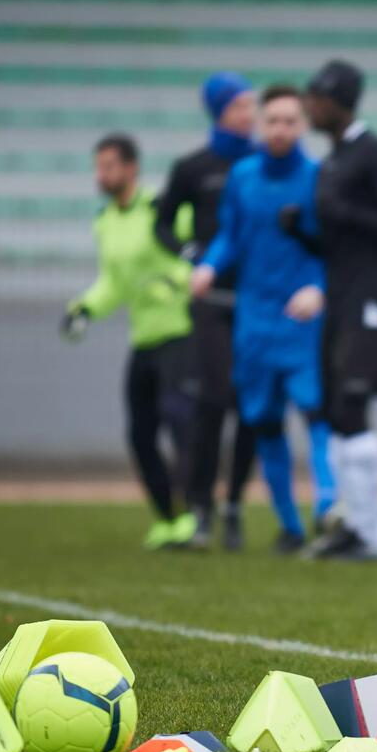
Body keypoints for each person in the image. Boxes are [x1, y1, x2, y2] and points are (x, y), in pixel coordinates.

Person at [190, 85, 336, 553]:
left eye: (290, 121)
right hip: (253, 320)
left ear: (303, 126)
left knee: (315, 412)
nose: (280, 129)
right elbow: (230, 235)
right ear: (262, 124)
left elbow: (333, 248)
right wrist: (210, 264)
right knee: (263, 420)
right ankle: (290, 526)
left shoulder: (319, 178)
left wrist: (319, 287)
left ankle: (328, 508)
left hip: (301, 320)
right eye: (272, 120)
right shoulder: (244, 176)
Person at [294, 59, 377, 561]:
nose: (310, 108)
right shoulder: (334, 160)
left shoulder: (375, 153)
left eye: (317, 99)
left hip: (374, 297)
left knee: (352, 404)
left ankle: (374, 532)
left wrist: (343, 213)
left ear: (341, 101)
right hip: (341, 298)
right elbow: (334, 240)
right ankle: (354, 523)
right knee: (333, 411)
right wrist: (299, 230)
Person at [62, 133, 197, 549]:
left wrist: (173, 282)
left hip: (180, 332)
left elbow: (196, 258)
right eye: (99, 167)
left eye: (110, 166)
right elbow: (113, 284)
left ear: (132, 168)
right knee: (140, 435)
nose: (102, 174)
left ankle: (195, 513)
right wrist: (84, 307)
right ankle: (168, 518)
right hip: (144, 339)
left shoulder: (163, 208)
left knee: (181, 422)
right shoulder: (105, 221)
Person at [154, 72, 259, 550]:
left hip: (258, 304)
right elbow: (161, 223)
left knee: (253, 410)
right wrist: (191, 253)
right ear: (219, 110)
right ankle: (201, 508)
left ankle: (235, 502)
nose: (250, 114)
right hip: (212, 304)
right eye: (241, 105)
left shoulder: (263, 163)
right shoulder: (193, 167)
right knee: (212, 403)